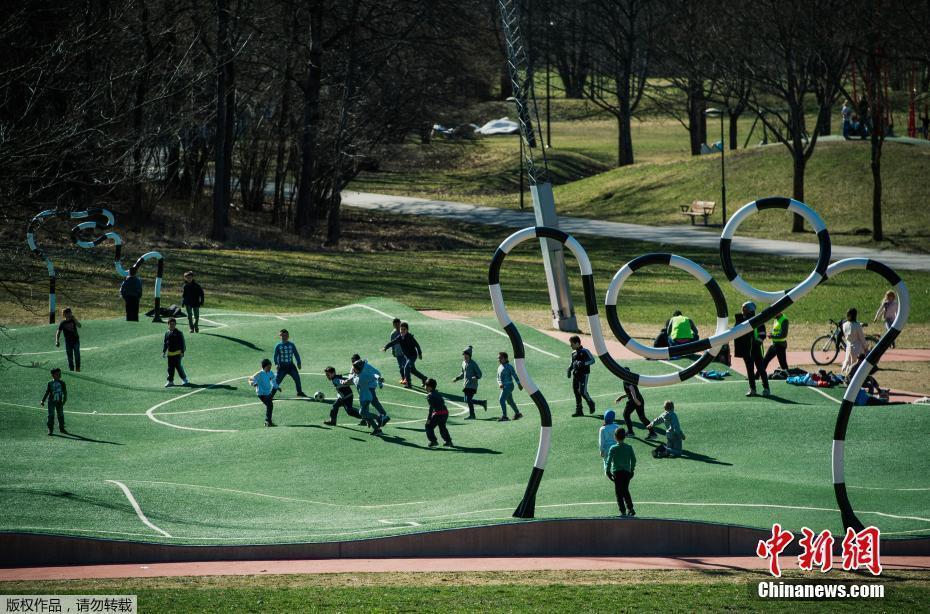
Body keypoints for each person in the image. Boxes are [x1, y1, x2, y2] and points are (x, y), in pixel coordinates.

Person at [734, 302, 769, 397]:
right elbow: (736, 332)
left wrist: (755, 343)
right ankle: (752, 389)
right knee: (750, 370)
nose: (742, 311)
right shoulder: (741, 320)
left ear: (749, 310)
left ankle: (766, 388)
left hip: (756, 350)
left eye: (744, 309)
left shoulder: (758, 319)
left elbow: (762, 334)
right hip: (746, 351)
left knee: (761, 369)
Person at [382, 322, 427, 389]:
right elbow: (393, 342)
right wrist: (386, 347)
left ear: (407, 330)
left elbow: (417, 345)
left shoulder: (410, 337)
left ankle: (409, 384)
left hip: (412, 356)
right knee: (412, 370)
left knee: (406, 367)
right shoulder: (400, 337)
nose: (402, 331)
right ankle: (424, 378)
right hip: (407, 356)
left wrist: (420, 354)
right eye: (401, 329)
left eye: (404, 329)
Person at [605, 429, 636, 517]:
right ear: (625, 436)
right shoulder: (629, 447)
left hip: (617, 473)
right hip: (626, 472)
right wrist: (632, 470)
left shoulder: (613, 448)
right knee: (625, 490)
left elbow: (609, 460)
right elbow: (633, 460)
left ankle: (622, 511)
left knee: (619, 492)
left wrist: (608, 471)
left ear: (615, 437)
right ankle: (630, 508)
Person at [351, 358, 385, 434]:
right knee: (366, 416)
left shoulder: (364, 375)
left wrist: (379, 378)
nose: (352, 370)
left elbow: (374, 375)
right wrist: (344, 382)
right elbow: (351, 381)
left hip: (367, 397)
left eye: (354, 368)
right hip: (362, 398)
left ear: (357, 369)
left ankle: (379, 418)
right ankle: (377, 430)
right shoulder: (356, 376)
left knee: (362, 412)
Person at [453, 346, 487, 419]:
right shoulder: (463, 363)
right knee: (466, 400)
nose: (464, 356)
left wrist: (476, 377)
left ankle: (472, 415)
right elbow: (463, 373)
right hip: (466, 384)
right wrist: (457, 378)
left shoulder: (473, 363)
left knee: (468, 399)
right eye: (463, 354)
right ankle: (482, 402)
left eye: (466, 354)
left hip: (472, 384)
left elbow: (480, 373)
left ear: (469, 355)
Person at [567, 335, 596, 416]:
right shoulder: (573, 353)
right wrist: (569, 370)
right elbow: (572, 363)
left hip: (584, 374)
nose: (570, 345)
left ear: (577, 343)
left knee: (582, 391)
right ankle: (579, 411)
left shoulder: (585, 351)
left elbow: (592, 360)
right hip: (576, 375)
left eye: (572, 343)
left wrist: (583, 363)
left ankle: (591, 403)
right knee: (576, 392)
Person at [273, 329, 306, 397]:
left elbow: (296, 354)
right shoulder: (278, 346)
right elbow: (275, 356)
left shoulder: (292, 345)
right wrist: (276, 364)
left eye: (286, 335)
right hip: (282, 367)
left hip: (291, 366)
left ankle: (299, 392)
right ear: (280, 336)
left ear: (288, 336)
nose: (285, 337)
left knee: (297, 379)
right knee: (277, 381)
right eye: (283, 335)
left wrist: (299, 363)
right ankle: (271, 394)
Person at [249, 358, 279, 427]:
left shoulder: (270, 373)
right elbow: (250, 379)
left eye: (270, 366)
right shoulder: (259, 374)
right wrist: (253, 384)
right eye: (269, 367)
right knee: (270, 405)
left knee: (270, 405)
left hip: (267, 393)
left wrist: (277, 387)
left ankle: (268, 421)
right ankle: (267, 421)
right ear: (264, 367)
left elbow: (273, 381)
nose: (270, 368)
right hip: (261, 394)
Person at [424, 378, 453, 448]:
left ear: (430, 387)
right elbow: (442, 402)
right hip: (445, 413)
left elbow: (431, 408)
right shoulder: (438, 393)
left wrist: (428, 419)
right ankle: (448, 441)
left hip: (438, 414)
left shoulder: (429, 396)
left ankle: (433, 441)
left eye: (426, 386)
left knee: (428, 426)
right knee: (442, 427)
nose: (425, 387)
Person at [496, 351, 523, 421]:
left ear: (505, 359)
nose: (499, 359)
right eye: (498, 358)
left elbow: (515, 375)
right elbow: (498, 378)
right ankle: (518, 413)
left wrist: (519, 384)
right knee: (510, 401)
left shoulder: (509, 367)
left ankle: (504, 416)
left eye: (500, 358)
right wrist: (500, 384)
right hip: (504, 387)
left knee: (501, 400)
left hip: (509, 386)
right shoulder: (499, 367)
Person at [162, 317, 189, 387]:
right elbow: (166, 343)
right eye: (170, 324)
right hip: (170, 354)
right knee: (170, 368)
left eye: (173, 324)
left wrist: (182, 352)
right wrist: (164, 351)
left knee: (178, 367)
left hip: (177, 353)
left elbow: (182, 343)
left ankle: (185, 379)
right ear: (168, 324)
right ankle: (170, 381)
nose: (172, 325)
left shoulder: (179, 333)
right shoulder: (167, 333)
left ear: (175, 324)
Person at [40, 367, 67, 435]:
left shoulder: (62, 383)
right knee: (51, 415)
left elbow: (65, 392)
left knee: (60, 415)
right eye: (57, 374)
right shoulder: (50, 383)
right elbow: (47, 392)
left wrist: (64, 400)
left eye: (60, 374)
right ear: (53, 375)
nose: (59, 376)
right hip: (51, 402)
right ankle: (50, 429)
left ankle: (62, 428)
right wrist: (43, 401)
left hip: (59, 402)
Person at [841, 308, 868, 375]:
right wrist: (865, 347)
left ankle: (847, 375)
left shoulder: (844, 325)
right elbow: (862, 338)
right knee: (856, 365)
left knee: (848, 362)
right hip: (857, 347)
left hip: (849, 346)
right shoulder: (857, 325)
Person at [55, 307, 81, 372]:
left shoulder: (73, 321)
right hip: (68, 342)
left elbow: (79, 325)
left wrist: (75, 319)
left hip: (75, 341)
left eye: (70, 313)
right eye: (68, 313)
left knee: (77, 355)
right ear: (64, 315)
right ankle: (71, 369)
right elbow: (58, 332)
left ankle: (77, 369)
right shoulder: (63, 323)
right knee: (70, 357)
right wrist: (57, 341)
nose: (70, 314)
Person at [388, 318, 407, 384]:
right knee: (400, 366)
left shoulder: (404, 331)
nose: (397, 326)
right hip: (398, 352)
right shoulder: (393, 334)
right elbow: (392, 343)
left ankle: (406, 379)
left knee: (404, 365)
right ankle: (403, 378)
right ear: (393, 325)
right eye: (395, 325)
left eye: (398, 324)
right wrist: (393, 351)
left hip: (405, 352)